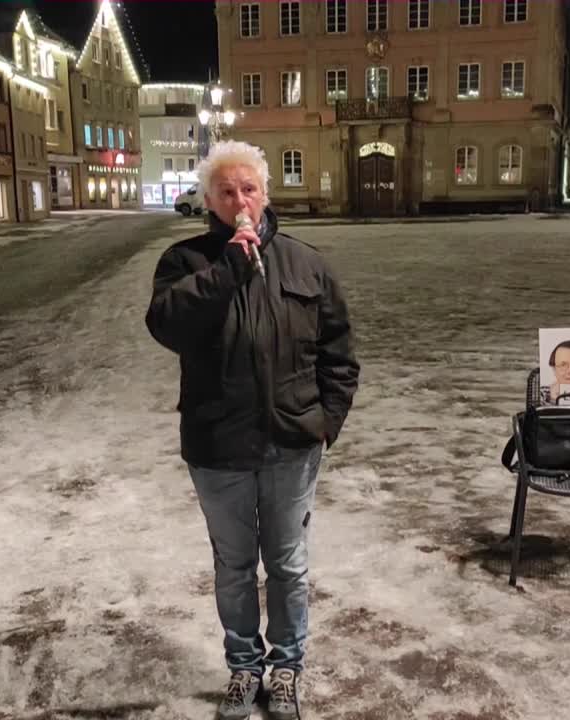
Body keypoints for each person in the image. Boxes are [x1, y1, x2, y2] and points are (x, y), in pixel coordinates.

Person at [145, 140, 360, 720]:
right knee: (235, 566)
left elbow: (339, 353)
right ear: (209, 200)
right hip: (219, 447)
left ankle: (286, 666)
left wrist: (326, 423)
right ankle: (245, 668)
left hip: (292, 444)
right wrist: (230, 269)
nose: (240, 200)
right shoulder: (185, 263)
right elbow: (168, 326)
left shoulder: (306, 262)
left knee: (288, 565)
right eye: (226, 191)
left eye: (249, 189)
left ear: (265, 194)